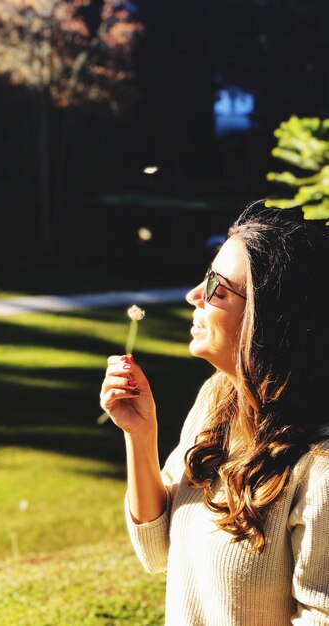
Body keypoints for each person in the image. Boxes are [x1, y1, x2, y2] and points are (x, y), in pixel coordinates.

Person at [99, 203, 329, 626]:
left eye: (217, 288)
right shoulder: (215, 401)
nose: (194, 295)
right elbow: (156, 551)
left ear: (270, 320)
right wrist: (139, 432)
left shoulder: (319, 466)